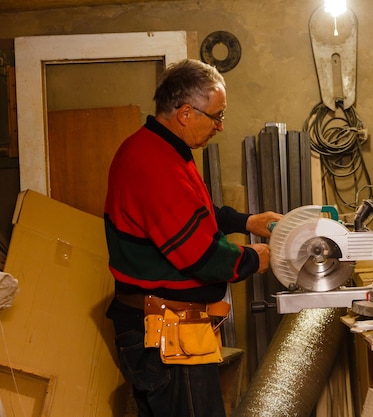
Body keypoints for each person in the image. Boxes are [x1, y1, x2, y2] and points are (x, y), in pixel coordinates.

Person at [104, 58, 281, 417]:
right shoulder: (154, 164)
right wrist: (255, 258)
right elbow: (200, 257)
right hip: (165, 328)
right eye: (216, 116)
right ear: (186, 112)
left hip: (170, 321)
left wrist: (247, 221)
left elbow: (194, 213)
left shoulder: (162, 149)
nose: (220, 126)